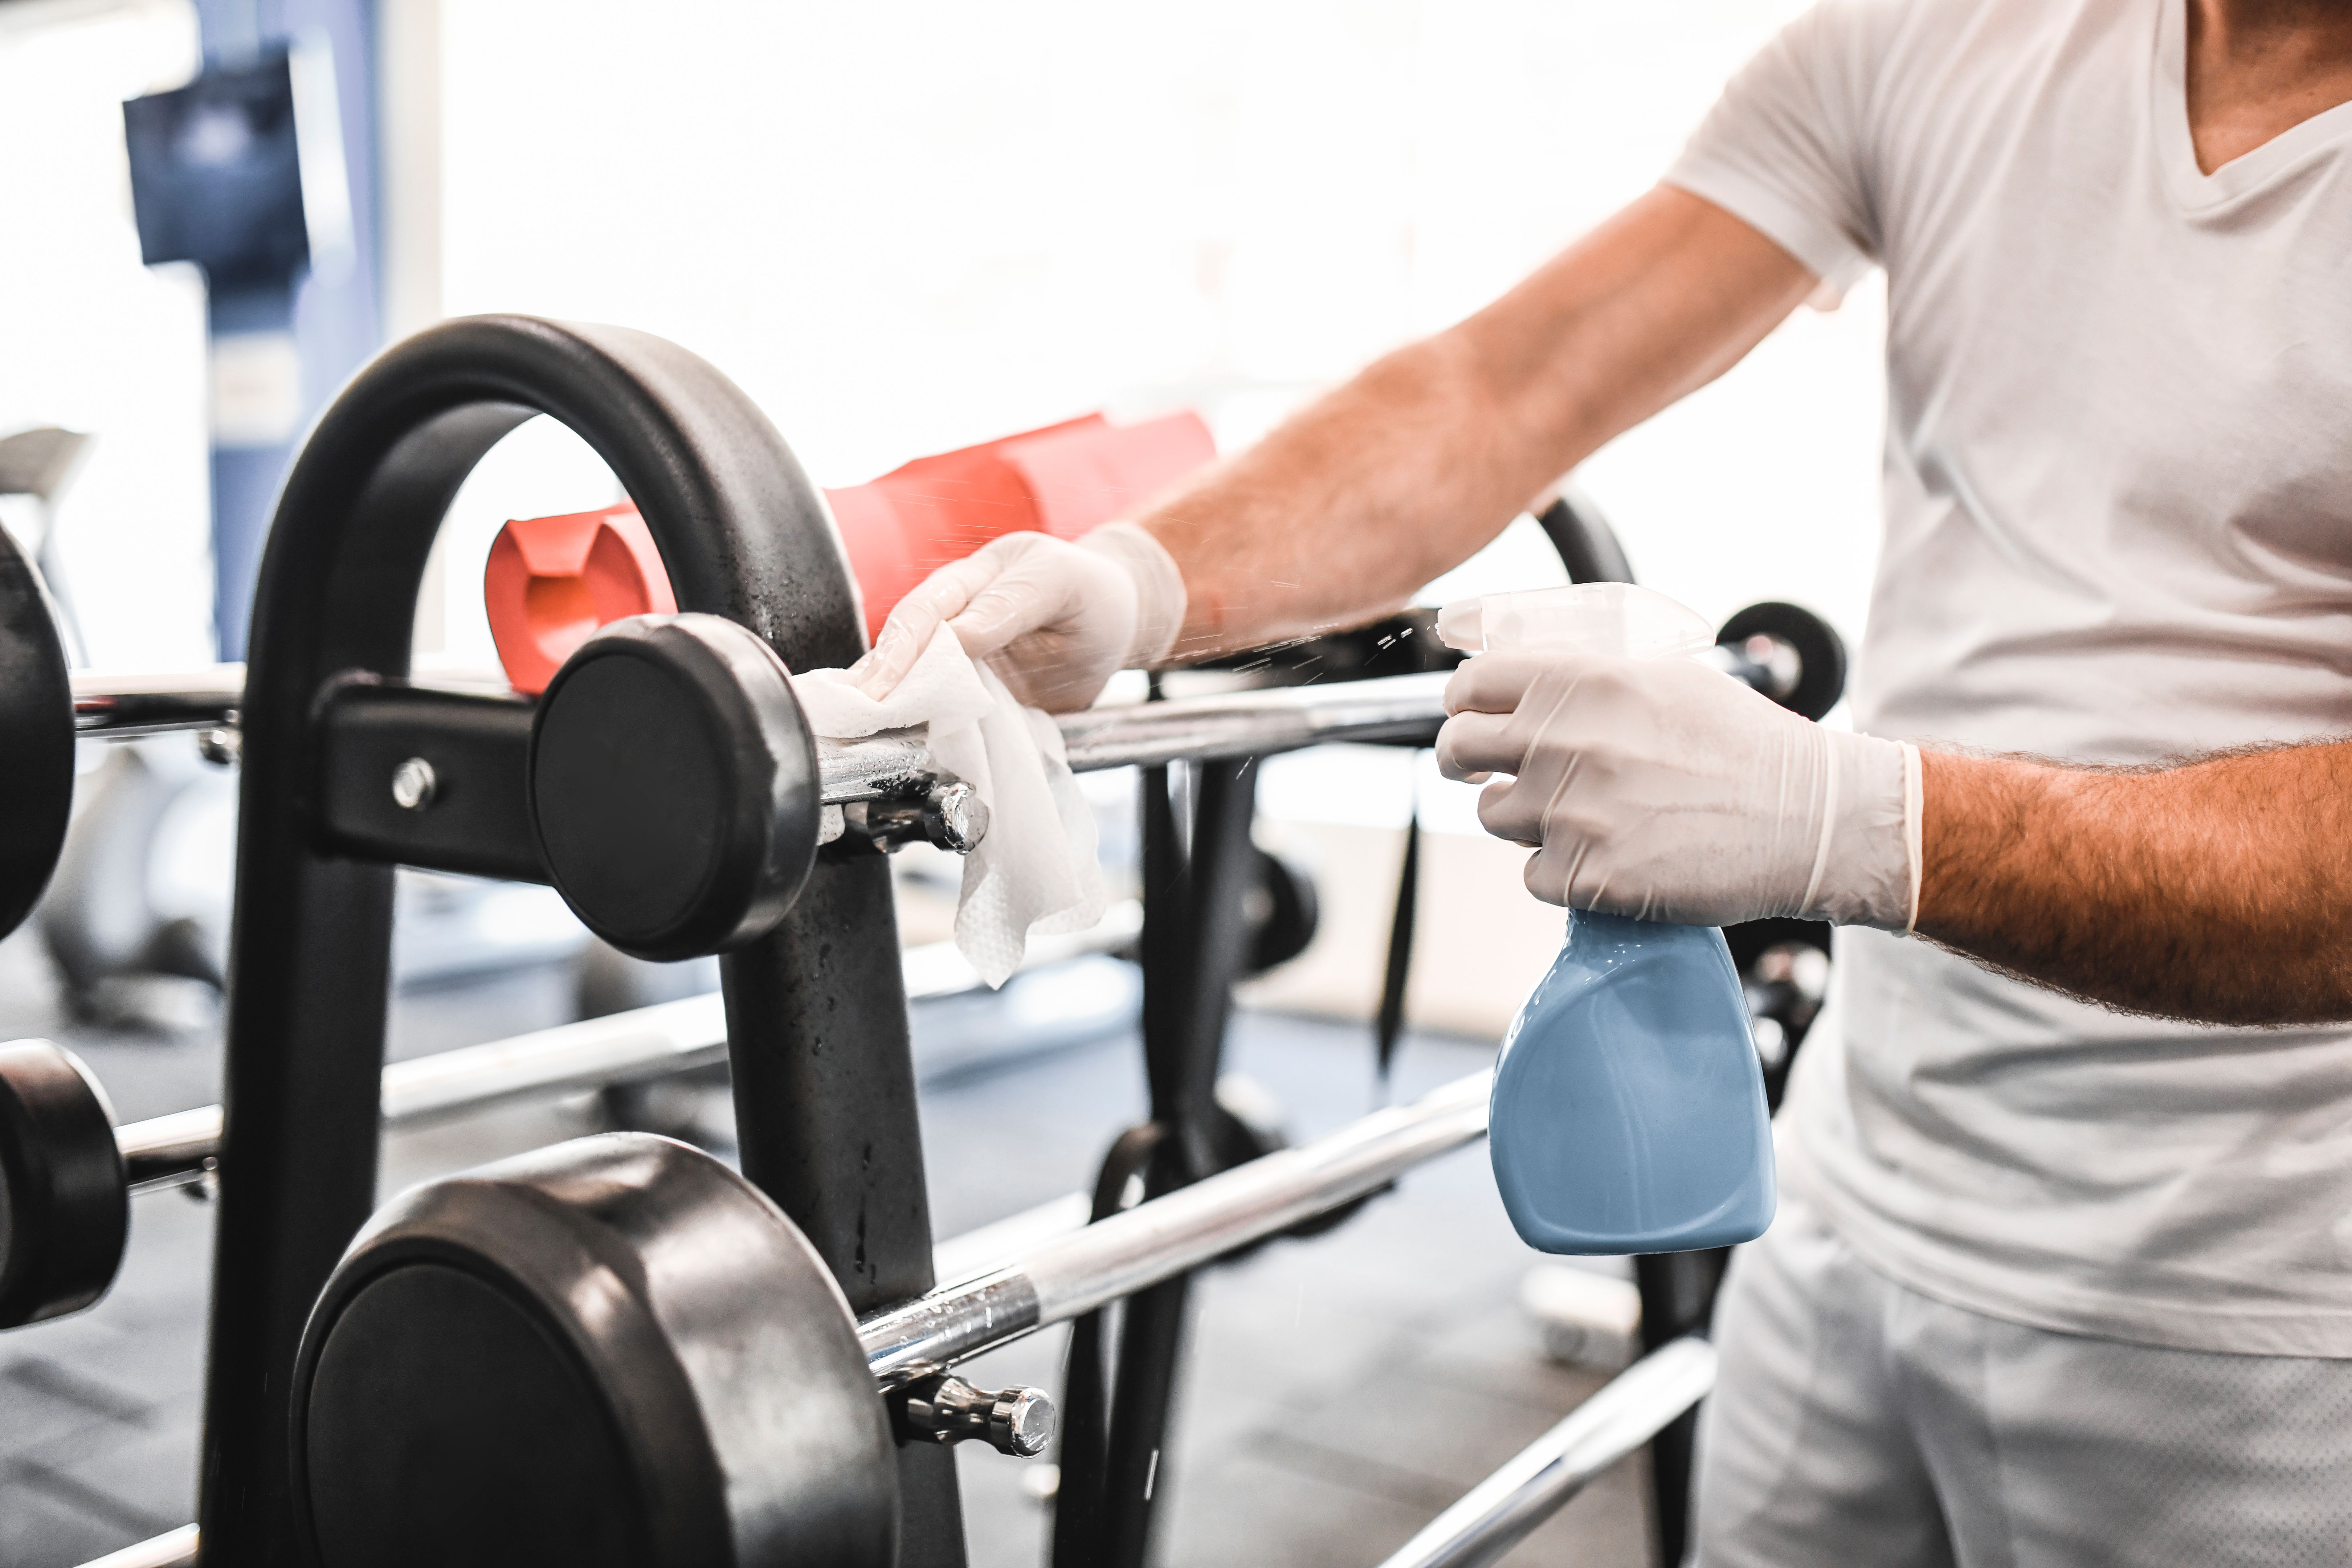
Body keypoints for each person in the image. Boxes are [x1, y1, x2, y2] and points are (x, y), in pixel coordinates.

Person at [853, 0, 2352, 1557]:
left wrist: (1855, 823)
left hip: (2269, 1313)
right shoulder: (1945, 36)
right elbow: (1505, 390)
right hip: (1850, 1196)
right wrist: (1146, 585)